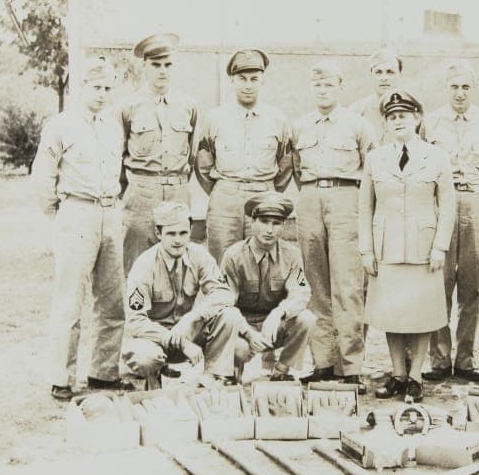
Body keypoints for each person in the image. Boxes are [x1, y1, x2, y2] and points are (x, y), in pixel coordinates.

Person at [31, 57, 132, 401]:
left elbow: (120, 173)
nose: (102, 94)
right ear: (80, 87)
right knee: (70, 299)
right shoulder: (61, 125)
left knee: (112, 299)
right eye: (96, 87)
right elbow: (43, 177)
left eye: (108, 88)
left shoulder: (112, 125)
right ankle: (62, 377)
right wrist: (59, 213)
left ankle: (104, 373)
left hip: (109, 213)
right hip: (77, 211)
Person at [359, 90, 455, 403]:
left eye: (404, 116)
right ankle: (398, 374)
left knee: (422, 313)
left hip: (424, 247)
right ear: (385, 123)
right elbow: (365, 207)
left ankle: (416, 377)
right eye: (392, 117)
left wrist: (440, 246)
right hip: (386, 247)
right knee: (392, 312)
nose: (398, 121)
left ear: (417, 119)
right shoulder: (375, 158)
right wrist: (366, 250)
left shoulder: (436, 157)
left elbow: (448, 205)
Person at [291, 59, 376, 389]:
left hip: (346, 198)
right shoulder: (300, 126)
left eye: (329, 84)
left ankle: (351, 365)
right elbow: (296, 170)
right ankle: (324, 362)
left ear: (340, 87)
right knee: (316, 287)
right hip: (311, 198)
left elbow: (371, 172)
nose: (323, 90)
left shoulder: (358, 126)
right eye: (317, 85)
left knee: (348, 286)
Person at [121, 200, 248, 389]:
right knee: (145, 358)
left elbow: (223, 294)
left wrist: (192, 318)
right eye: (171, 234)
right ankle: (154, 379)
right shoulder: (144, 265)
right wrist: (177, 341)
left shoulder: (199, 255)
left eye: (183, 233)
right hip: (155, 339)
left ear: (190, 230)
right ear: (158, 233)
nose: (178, 240)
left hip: (188, 332)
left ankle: (211, 379)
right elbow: (135, 322)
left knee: (233, 323)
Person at [421, 59, 479, 383]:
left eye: (465, 86)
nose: (460, 93)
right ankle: (439, 359)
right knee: (440, 282)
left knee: (472, 285)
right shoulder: (431, 123)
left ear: (473, 88)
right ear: (446, 88)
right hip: (441, 203)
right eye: (454, 86)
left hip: (476, 201)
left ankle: (465, 359)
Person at [194, 48, 293, 263]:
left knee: (262, 264)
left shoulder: (278, 119)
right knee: (221, 263)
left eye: (254, 79)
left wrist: (267, 190)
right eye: (242, 78)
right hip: (225, 200)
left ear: (262, 81)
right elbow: (202, 166)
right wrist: (224, 189)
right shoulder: (215, 118)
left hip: (263, 197)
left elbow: (286, 166)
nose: (248, 85)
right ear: (232, 80)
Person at [116, 32, 199, 273]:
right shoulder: (128, 107)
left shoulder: (188, 106)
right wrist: (132, 191)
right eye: (156, 65)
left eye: (168, 65)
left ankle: (177, 311)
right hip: (142, 193)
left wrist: (179, 184)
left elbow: (192, 156)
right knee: (137, 260)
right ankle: (136, 311)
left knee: (178, 258)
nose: (162, 71)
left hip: (177, 190)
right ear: (144, 66)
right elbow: (116, 158)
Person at [220, 192, 318, 382]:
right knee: (237, 349)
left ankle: (281, 371)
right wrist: (247, 332)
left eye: (276, 223)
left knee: (307, 319)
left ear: (283, 226)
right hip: (242, 326)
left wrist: (279, 312)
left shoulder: (292, 255)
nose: (270, 230)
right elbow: (224, 304)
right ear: (252, 222)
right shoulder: (233, 256)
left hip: (272, 326)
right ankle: (231, 371)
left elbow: (301, 293)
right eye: (264, 221)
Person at [350, 47, 426, 146]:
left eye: (390, 72)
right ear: (371, 75)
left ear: (400, 75)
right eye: (378, 72)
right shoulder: (356, 111)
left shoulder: (413, 109)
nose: (384, 78)